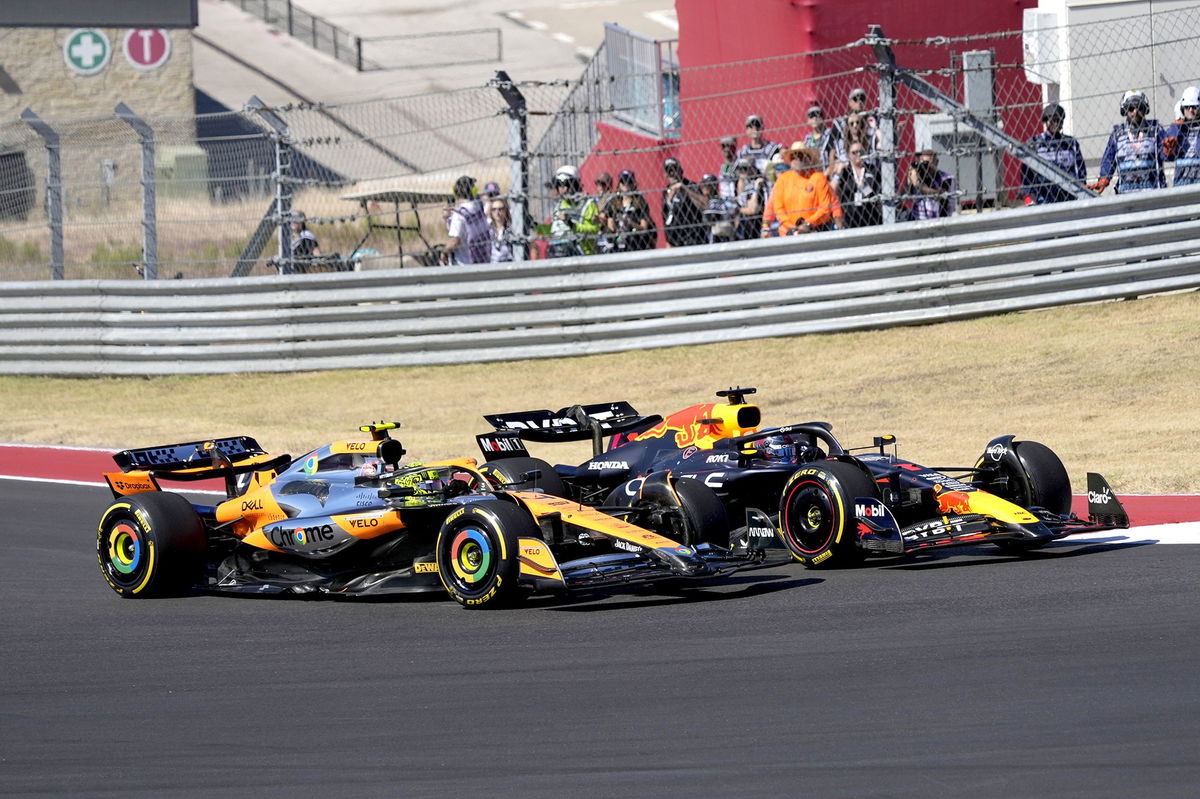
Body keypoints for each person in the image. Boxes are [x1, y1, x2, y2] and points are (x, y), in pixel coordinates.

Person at [1092, 90, 1167, 194]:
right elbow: (1109, 159)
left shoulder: (1155, 129)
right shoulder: (1117, 134)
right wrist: (1104, 177)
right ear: (1125, 110)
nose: (1135, 112)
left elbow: (1167, 153)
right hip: (1126, 193)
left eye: (1139, 107)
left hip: (1152, 191)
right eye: (1131, 108)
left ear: (1145, 110)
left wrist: (1168, 149)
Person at [761, 143, 841, 236]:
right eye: (793, 156)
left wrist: (807, 224)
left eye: (800, 155)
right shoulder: (782, 180)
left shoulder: (818, 178)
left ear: (808, 159)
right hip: (788, 232)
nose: (797, 159)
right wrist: (790, 227)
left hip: (814, 230)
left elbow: (826, 208)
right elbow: (776, 208)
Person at [1019, 103, 1087, 205]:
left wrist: (1081, 187)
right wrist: (1029, 195)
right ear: (1046, 121)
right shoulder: (1035, 144)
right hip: (1043, 196)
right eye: (1053, 120)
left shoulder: (1070, 143)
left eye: (1059, 120)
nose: (1056, 123)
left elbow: (1080, 169)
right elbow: (1026, 172)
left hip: (1068, 194)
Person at [547, 164, 601, 257]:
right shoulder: (559, 206)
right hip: (558, 253)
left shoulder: (588, 204)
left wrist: (572, 225)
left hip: (583, 255)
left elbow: (595, 229)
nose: (564, 189)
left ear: (576, 184)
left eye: (567, 184)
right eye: (560, 185)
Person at [831, 142, 882, 228]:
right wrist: (838, 174)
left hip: (871, 218)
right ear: (848, 155)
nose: (858, 154)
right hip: (850, 220)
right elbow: (832, 191)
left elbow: (875, 196)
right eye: (854, 152)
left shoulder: (872, 170)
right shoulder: (845, 172)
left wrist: (864, 187)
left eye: (860, 152)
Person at [605, 169, 656, 251]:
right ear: (619, 184)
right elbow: (611, 226)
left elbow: (644, 228)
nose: (626, 185)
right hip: (618, 243)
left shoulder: (640, 202)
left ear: (633, 184)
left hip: (635, 243)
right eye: (623, 182)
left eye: (629, 182)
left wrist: (630, 223)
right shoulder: (613, 202)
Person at [661, 157, 707, 247]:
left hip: (692, 240)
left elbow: (704, 206)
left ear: (681, 171)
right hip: (674, 242)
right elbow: (666, 217)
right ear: (665, 174)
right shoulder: (665, 191)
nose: (672, 173)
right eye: (669, 171)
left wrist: (685, 190)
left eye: (674, 170)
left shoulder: (690, 186)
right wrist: (668, 242)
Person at [1164, 86, 1200, 186]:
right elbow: (1168, 157)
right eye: (1187, 107)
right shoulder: (1176, 129)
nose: (1191, 110)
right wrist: (1177, 126)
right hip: (1182, 181)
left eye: (1194, 107)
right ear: (1182, 108)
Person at [907, 149, 956, 220]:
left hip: (940, 222)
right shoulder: (919, 177)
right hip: (917, 222)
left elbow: (939, 196)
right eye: (923, 163)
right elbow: (906, 195)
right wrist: (909, 179)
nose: (926, 166)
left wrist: (919, 185)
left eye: (928, 163)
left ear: (936, 162)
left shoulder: (946, 178)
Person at [802, 104, 843, 174]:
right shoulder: (808, 139)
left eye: (817, 115)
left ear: (822, 118)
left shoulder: (830, 134)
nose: (815, 118)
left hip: (827, 170)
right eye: (812, 116)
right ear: (808, 121)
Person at [699, 173, 738, 243]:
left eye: (707, 185)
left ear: (714, 186)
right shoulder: (705, 200)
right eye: (703, 185)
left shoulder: (717, 200)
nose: (704, 187)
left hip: (719, 235)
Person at [733, 157, 767, 240]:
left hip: (757, 227)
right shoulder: (744, 184)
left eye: (745, 169)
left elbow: (753, 209)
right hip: (746, 228)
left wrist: (738, 210)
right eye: (740, 169)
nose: (742, 172)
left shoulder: (756, 183)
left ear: (753, 169)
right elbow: (741, 200)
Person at [487, 197, 514, 263]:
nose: (497, 212)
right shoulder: (488, 230)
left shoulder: (511, 230)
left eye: (500, 209)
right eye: (494, 209)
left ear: (506, 211)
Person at [716, 135, 739, 200]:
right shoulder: (725, 166)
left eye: (728, 146)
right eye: (723, 146)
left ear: (734, 146)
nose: (726, 149)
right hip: (726, 201)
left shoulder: (739, 164)